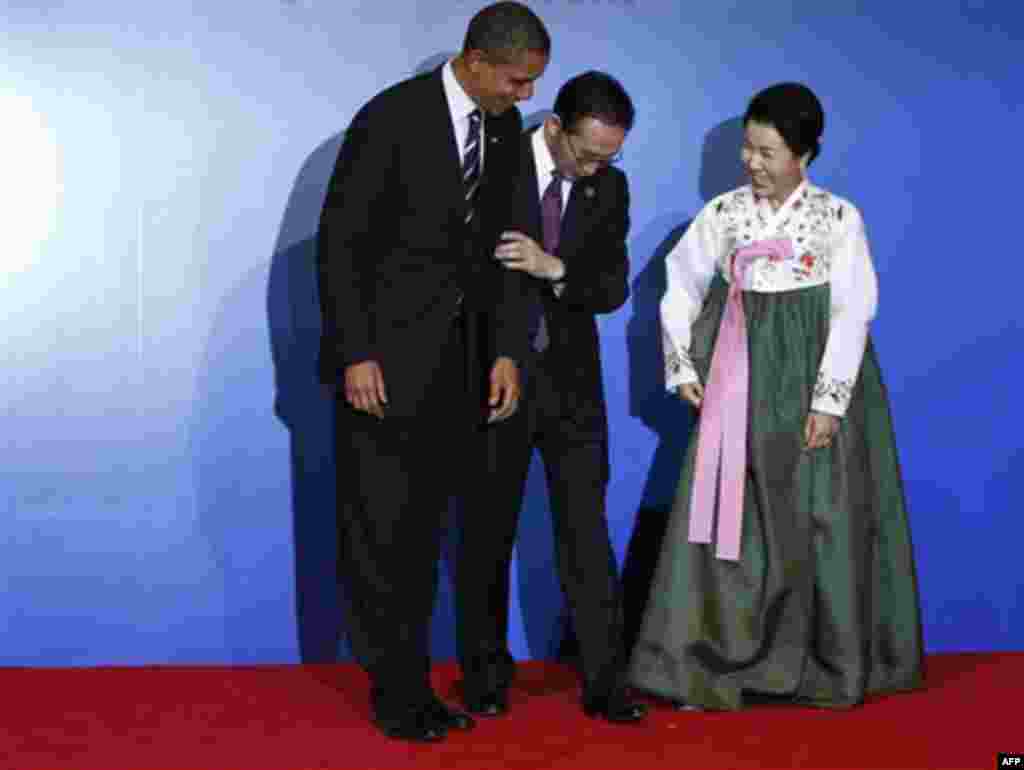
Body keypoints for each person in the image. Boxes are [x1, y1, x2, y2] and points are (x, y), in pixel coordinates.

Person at [628, 82, 924, 710]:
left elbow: (852, 311)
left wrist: (829, 401)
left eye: (767, 152)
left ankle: (826, 663)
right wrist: (681, 362)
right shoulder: (724, 214)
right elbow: (679, 286)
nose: (752, 164)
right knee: (729, 517)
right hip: (740, 376)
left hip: (816, 376)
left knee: (822, 515)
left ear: (805, 154)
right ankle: (711, 661)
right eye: (748, 149)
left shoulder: (840, 218)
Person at [316, 2, 549, 742]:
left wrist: (508, 346)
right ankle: (398, 695)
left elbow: (515, 242)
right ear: (476, 61)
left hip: (466, 365)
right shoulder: (389, 118)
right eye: (518, 80)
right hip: (384, 366)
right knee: (388, 537)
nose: (526, 96)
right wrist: (357, 350)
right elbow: (342, 242)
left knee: (436, 535)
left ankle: (427, 685)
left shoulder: (507, 129)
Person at [456, 71, 646, 724]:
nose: (596, 167)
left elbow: (613, 286)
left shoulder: (611, 187)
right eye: (587, 152)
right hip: (493, 379)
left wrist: (555, 268)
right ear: (555, 127)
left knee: (587, 535)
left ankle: (606, 681)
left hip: (573, 386)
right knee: (487, 532)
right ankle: (484, 677)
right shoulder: (493, 163)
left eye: (610, 156)